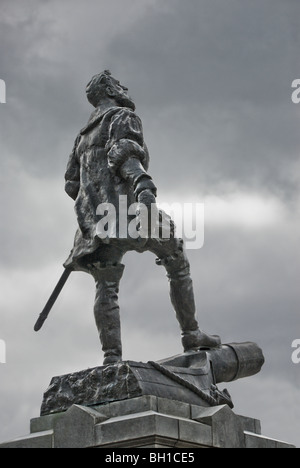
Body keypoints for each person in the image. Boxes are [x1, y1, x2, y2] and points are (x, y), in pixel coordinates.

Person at [64, 70, 221, 365]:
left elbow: (71, 184)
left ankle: (112, 357)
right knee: (175, 257)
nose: (125, 88)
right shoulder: (122, 116)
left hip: (98, 222)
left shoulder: (81, 138)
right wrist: (143, 185)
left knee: (106, 285)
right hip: (130, 212)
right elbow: (125, 154)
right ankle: (191, 334)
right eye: (119, 84)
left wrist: (93, 209)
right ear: (110, 89)